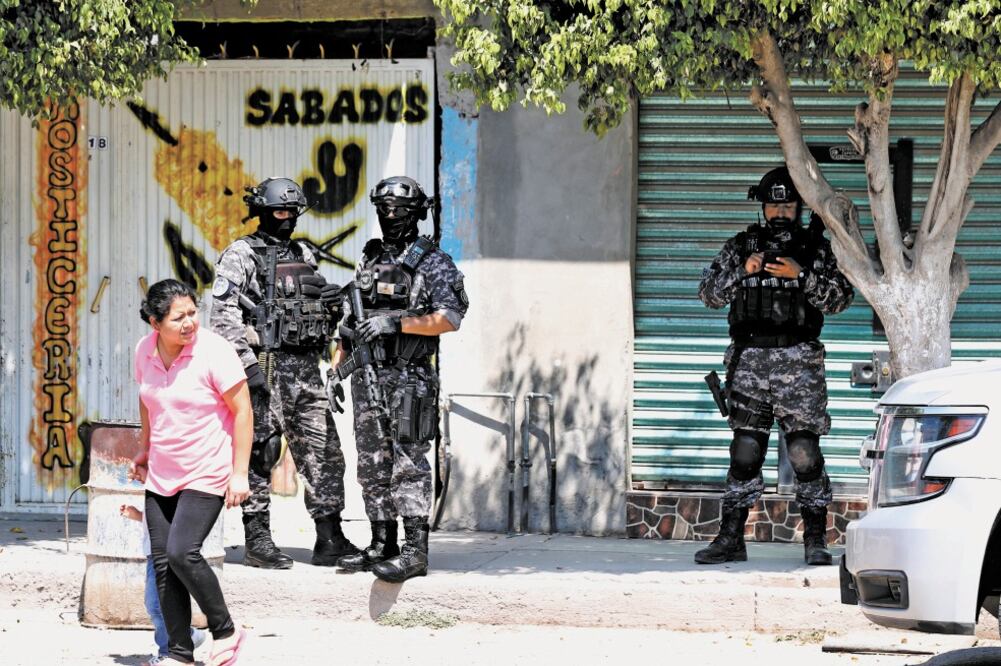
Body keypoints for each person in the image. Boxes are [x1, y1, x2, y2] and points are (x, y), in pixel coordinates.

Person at [696, 166, 854, 566]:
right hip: (749, 362)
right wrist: (742, 271)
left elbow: (840, 299)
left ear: (799, 208)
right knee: (745, 451)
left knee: (803, 451)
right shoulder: (741, 246)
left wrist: (801, 276)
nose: (780, 212)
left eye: (788, 206)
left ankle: (815, 539)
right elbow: (708, 294)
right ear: (763, 207)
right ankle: (731, 538)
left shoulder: (815, 249)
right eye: (773, 205)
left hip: (798, 363)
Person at [210, 177, 357, 569]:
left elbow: (313, 310)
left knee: (324, 451)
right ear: (261, 212)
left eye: (293, 212)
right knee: (262, 451)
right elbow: (223, 318)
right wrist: (248, 368)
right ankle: (258, 539)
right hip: (266, 366)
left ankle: (330, 537)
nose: (287, 219)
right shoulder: (241, 254)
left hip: (306, 368)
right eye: (279, 211)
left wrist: (331, 305)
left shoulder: (303, 253)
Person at [333, 176, 469, 582]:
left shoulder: (433, 261)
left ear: (415, 214)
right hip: (367, 374)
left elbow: (449, 318)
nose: (390, 216)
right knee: (372, 461)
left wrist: (397, 323)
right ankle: (382, 542)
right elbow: (351, 319)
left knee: (409, 461)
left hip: (410, 377)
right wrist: (338, 367)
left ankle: (414, 552)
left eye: (399, 210)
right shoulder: (370, 256)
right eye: (384, 209)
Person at [132, 278, 251, 665]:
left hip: (206, 469)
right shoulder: (144, 351)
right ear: (155, 323)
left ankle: (226, 631)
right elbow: (148, 401)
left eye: (192, 313)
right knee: (163, 563)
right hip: (161, 472)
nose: (189, 323)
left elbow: (243, 411)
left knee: (183, 553)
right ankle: (179, 653)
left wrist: (239, 473)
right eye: (178, 317)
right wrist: (145, 449)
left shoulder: (214, 351)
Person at [119, 503, 207, 666]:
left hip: (164, 552)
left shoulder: (169, 490)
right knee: (156, 604)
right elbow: (158, 519)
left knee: (156, 605)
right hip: (155, 553)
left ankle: (168, 652)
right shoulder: (155, 492)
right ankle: (186, 636)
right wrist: (138, 515)